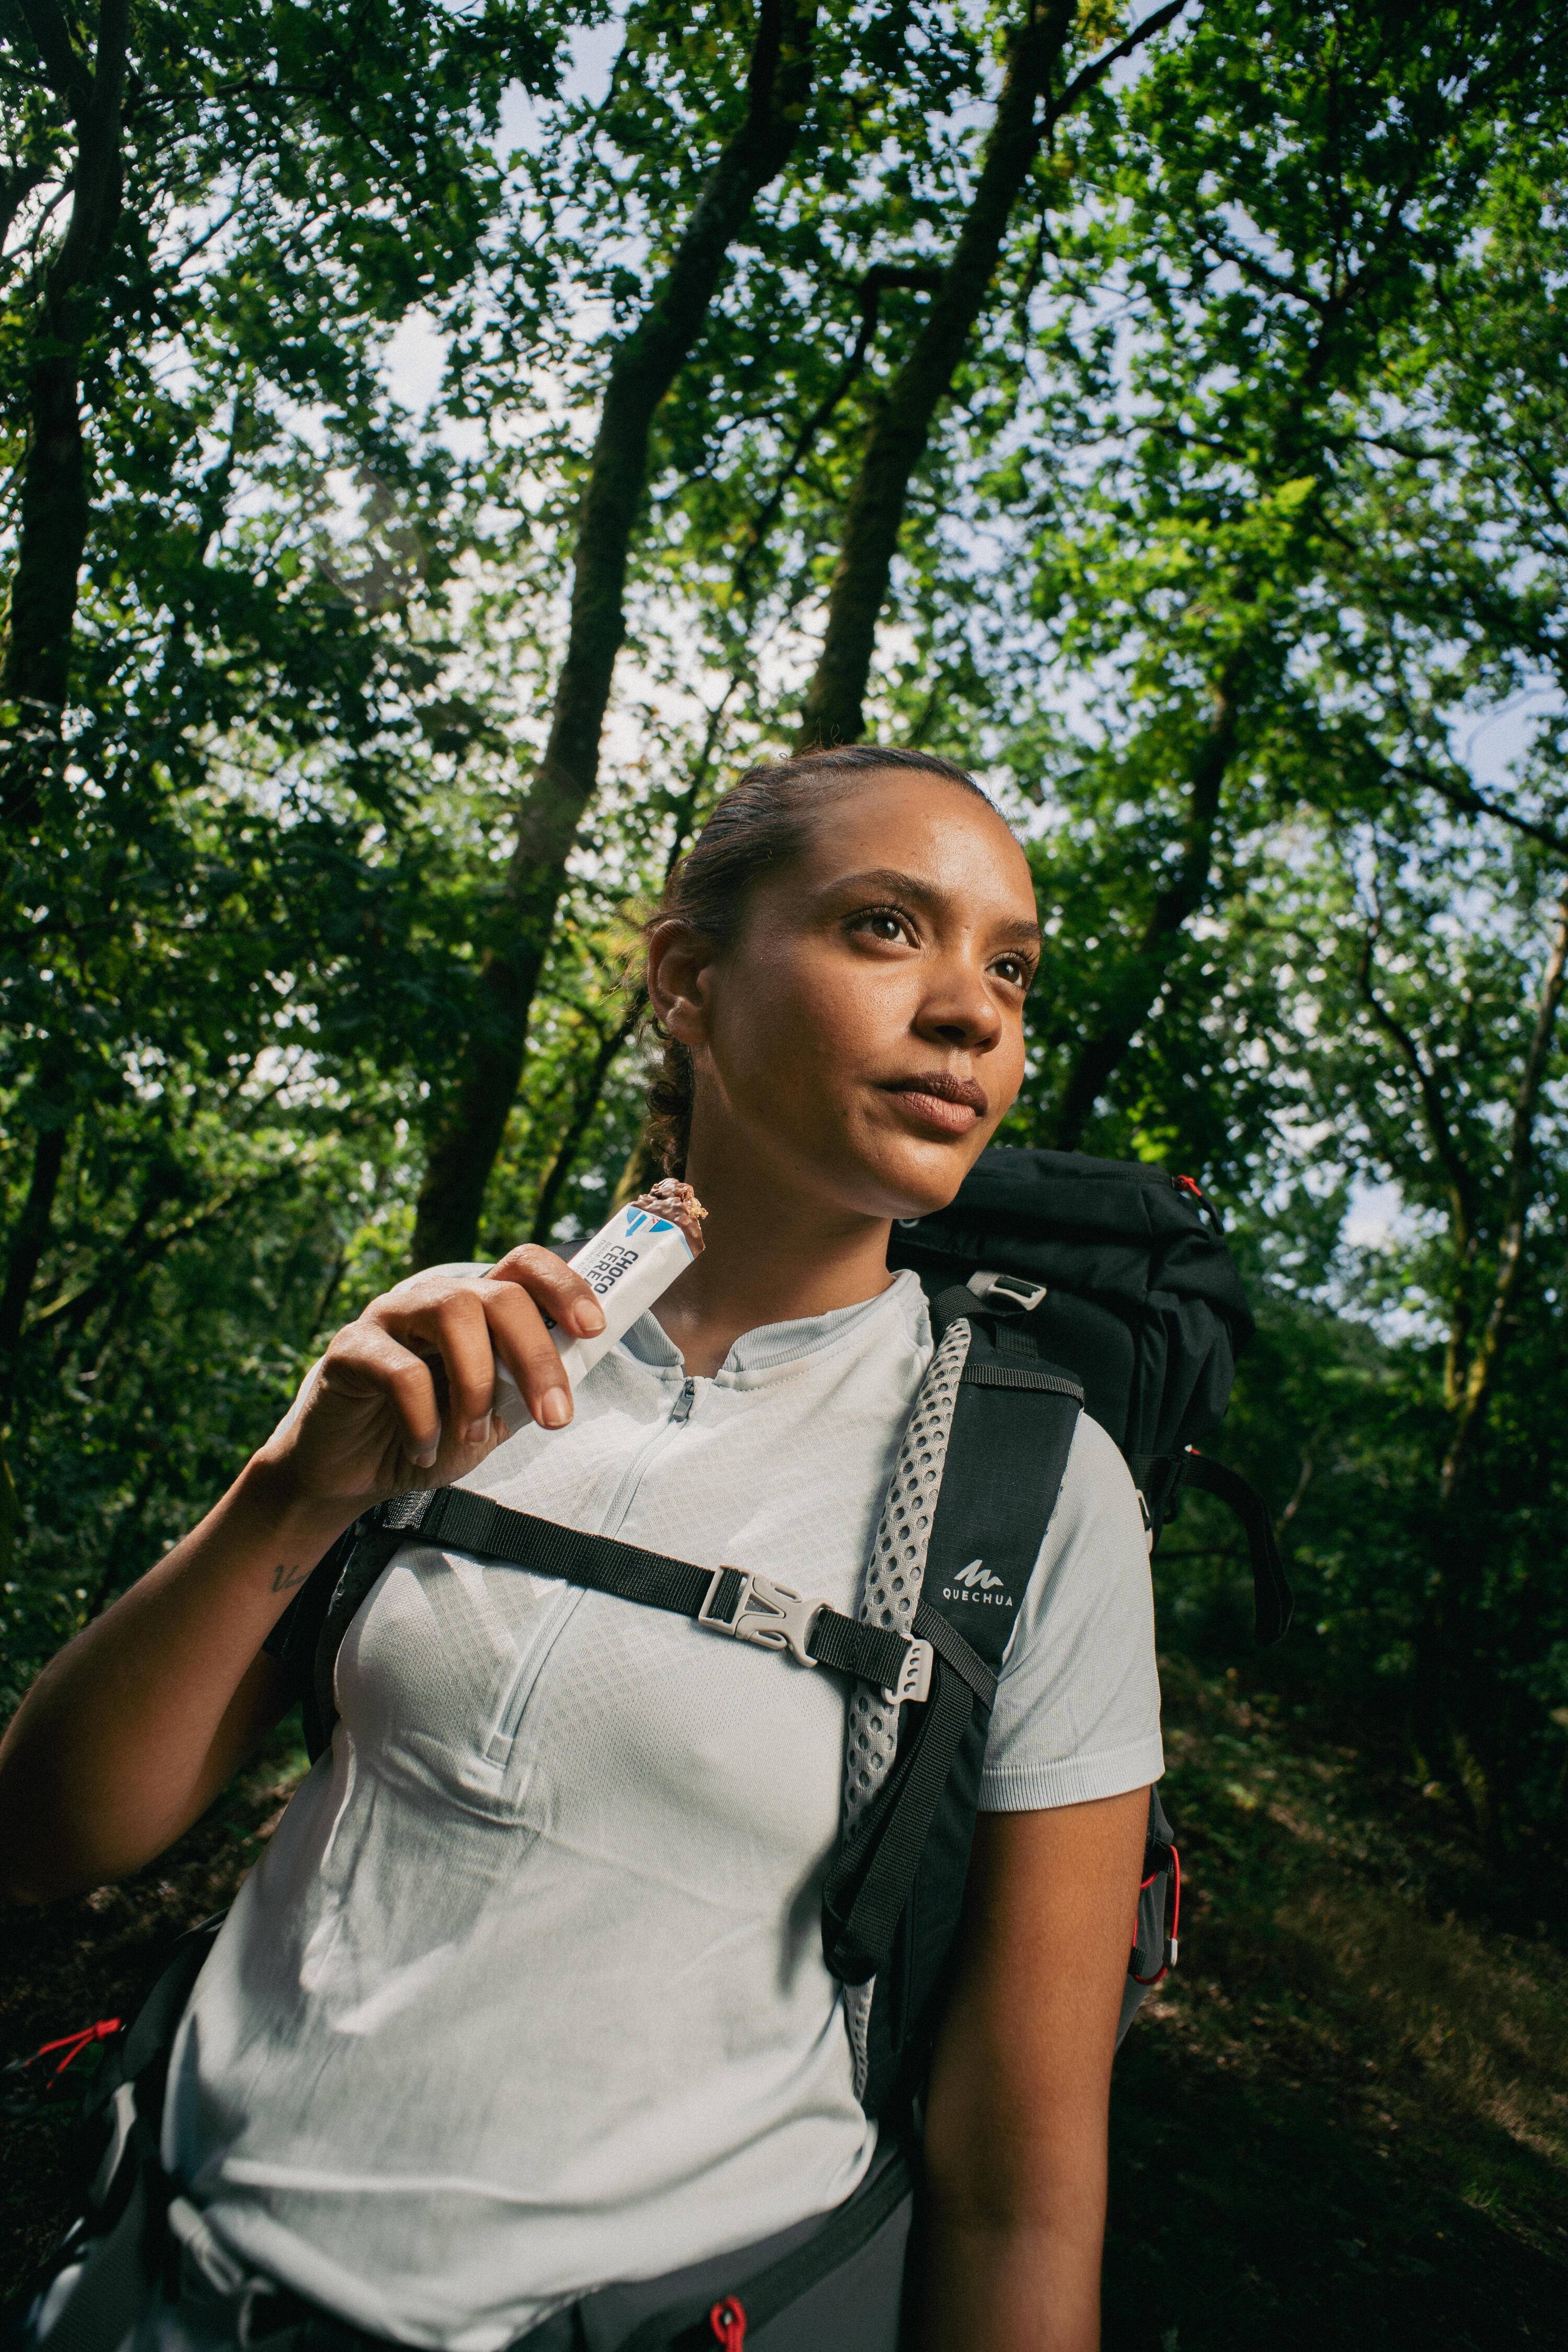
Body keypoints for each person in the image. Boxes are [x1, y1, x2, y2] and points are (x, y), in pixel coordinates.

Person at [0, 747, 1162, 2352]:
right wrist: (291, 1491)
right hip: (139, 2295)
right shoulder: (463, 1349)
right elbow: (48, 1830)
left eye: (1012, 966)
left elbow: (1016, 2188)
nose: (975, 1010)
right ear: (688, 980)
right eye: (889, 928)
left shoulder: (1036, 1486)